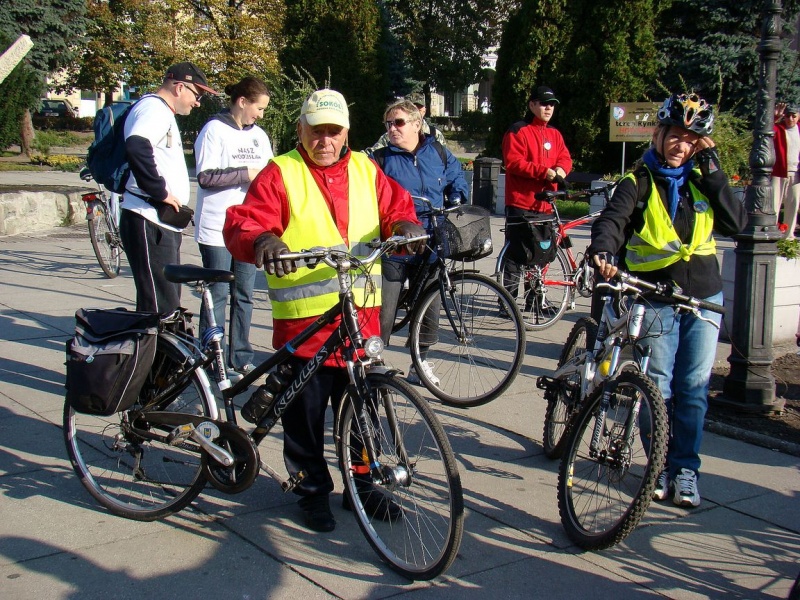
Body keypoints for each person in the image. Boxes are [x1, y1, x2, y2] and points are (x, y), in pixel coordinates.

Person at [223, 89, 425, 533]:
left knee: (365, 412)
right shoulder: (281, 173)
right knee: (305, 420)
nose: (325, 140)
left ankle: (364, 487)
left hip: (359, 321)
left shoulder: (365, 169)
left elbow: (397, 207)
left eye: (334, 131)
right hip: (307, 325)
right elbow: (244, 221)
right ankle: (311, 491)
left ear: (346, 133)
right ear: (301, 130)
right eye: (317, 131)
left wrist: (407, 226)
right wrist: (263, 241)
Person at [587, 91, 747, 508]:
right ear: (658, 135)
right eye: (675, 136)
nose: (682, 146)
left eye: (692, 140)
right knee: (657, 389)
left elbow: (736, 221)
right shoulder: (637, 181)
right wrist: (603, 251)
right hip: (655, 295)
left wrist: (713, 169)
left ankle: (686, 471)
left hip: (702, 296)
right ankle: (657, 464)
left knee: (693, 390)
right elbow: (613, 222)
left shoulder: (701, 179)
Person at [367, 99, 469, 386]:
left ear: (416, 124)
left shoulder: (436, 150)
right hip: (395, 242)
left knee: (430, 305)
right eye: (388, 124)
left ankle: (420, 361)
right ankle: (375, 362)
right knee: (384, 308)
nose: (392, 128)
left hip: (431, 239)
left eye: (398, 123)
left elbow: (456, 176)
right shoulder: (381, 158)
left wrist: (457, 196)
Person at [119, 62, 218, 314]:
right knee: (159, 303)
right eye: (197, 95)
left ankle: (160, 352)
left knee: (167, 300)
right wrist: (160, 192)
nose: (197, 102)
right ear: (179, 87)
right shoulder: (153, 109)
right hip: (147, 217)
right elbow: (137, 146)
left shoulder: (162, 111)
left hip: (159, 221)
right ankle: (152, 353)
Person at [194, 76, 273, 381]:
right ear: (242, 102)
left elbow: (268, 177)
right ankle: (210, 357)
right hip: (216, 228)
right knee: (217, 294)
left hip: (249, 228)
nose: (261, 115)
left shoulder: (259, 136)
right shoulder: (214, 130)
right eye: (259, 108)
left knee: (245, 293)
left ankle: (240, 356)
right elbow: (206, 177)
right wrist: (247, 173)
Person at [500, 85, 573, 315]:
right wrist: (544, 172)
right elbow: (513, 162)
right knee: (516, 254)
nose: (548, 108)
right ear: (532, 105)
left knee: (540, 255)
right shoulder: (518, 131)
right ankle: (508, 302)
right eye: (543, 103)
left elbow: (565, 158)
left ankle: (535, 301)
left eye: (551, 104)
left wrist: (561, 169)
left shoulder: (555, 134)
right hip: (522, 203)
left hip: (545, 204)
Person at [364, 92, 446, 153]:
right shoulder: (392, 135)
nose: (416, 110)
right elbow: (371, 154)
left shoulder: (435, 134)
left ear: (424, 110)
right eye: (412, 108)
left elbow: (445, 161)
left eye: (419, 107)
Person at [772, 102, 800, 239]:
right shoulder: (778, 128)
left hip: (796, 173)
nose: (790, 119)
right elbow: (765, 133)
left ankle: (788, 236)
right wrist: (775, 118)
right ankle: (771, 232)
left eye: (793, 116)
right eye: (788, 116)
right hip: (779, 172)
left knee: (793, 204)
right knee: (774, 204)